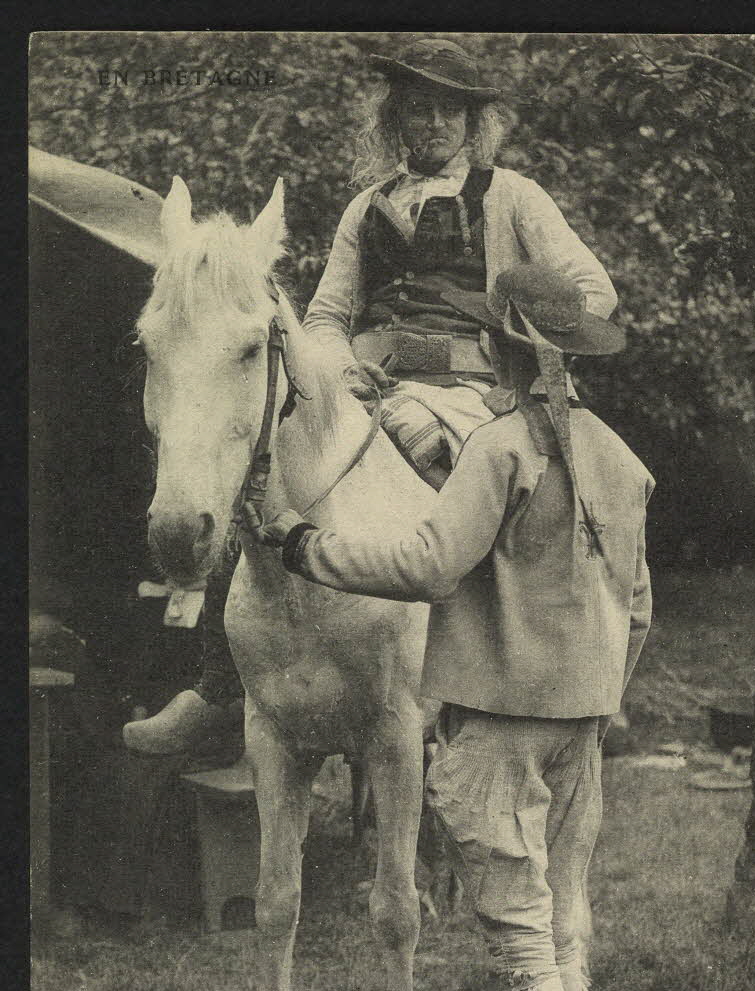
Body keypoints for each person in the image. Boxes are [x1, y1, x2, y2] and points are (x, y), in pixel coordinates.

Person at [252, 265, 654, 991]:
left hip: (498, 728)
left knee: (522, 940)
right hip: (579, 725)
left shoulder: (500, 448)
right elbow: (637, 611)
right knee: (546, 921)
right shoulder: (623, 460)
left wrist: (304, 548)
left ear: (504, 348)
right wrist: (592, 699)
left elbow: (430, 567)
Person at [124, 34, 619, 756]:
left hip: (474, 393)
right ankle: (222, 688)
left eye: (448, 112)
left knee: (487, 499)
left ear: (472, 122)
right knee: (265, 489)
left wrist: (520, 337)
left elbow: (591, 290)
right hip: (372, 389)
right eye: (416, 112)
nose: (432, 125)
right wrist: (337, 367)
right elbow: (324, 315)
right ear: (393, 122)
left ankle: (505, 675)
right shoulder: (366, 209)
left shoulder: (513, 198)